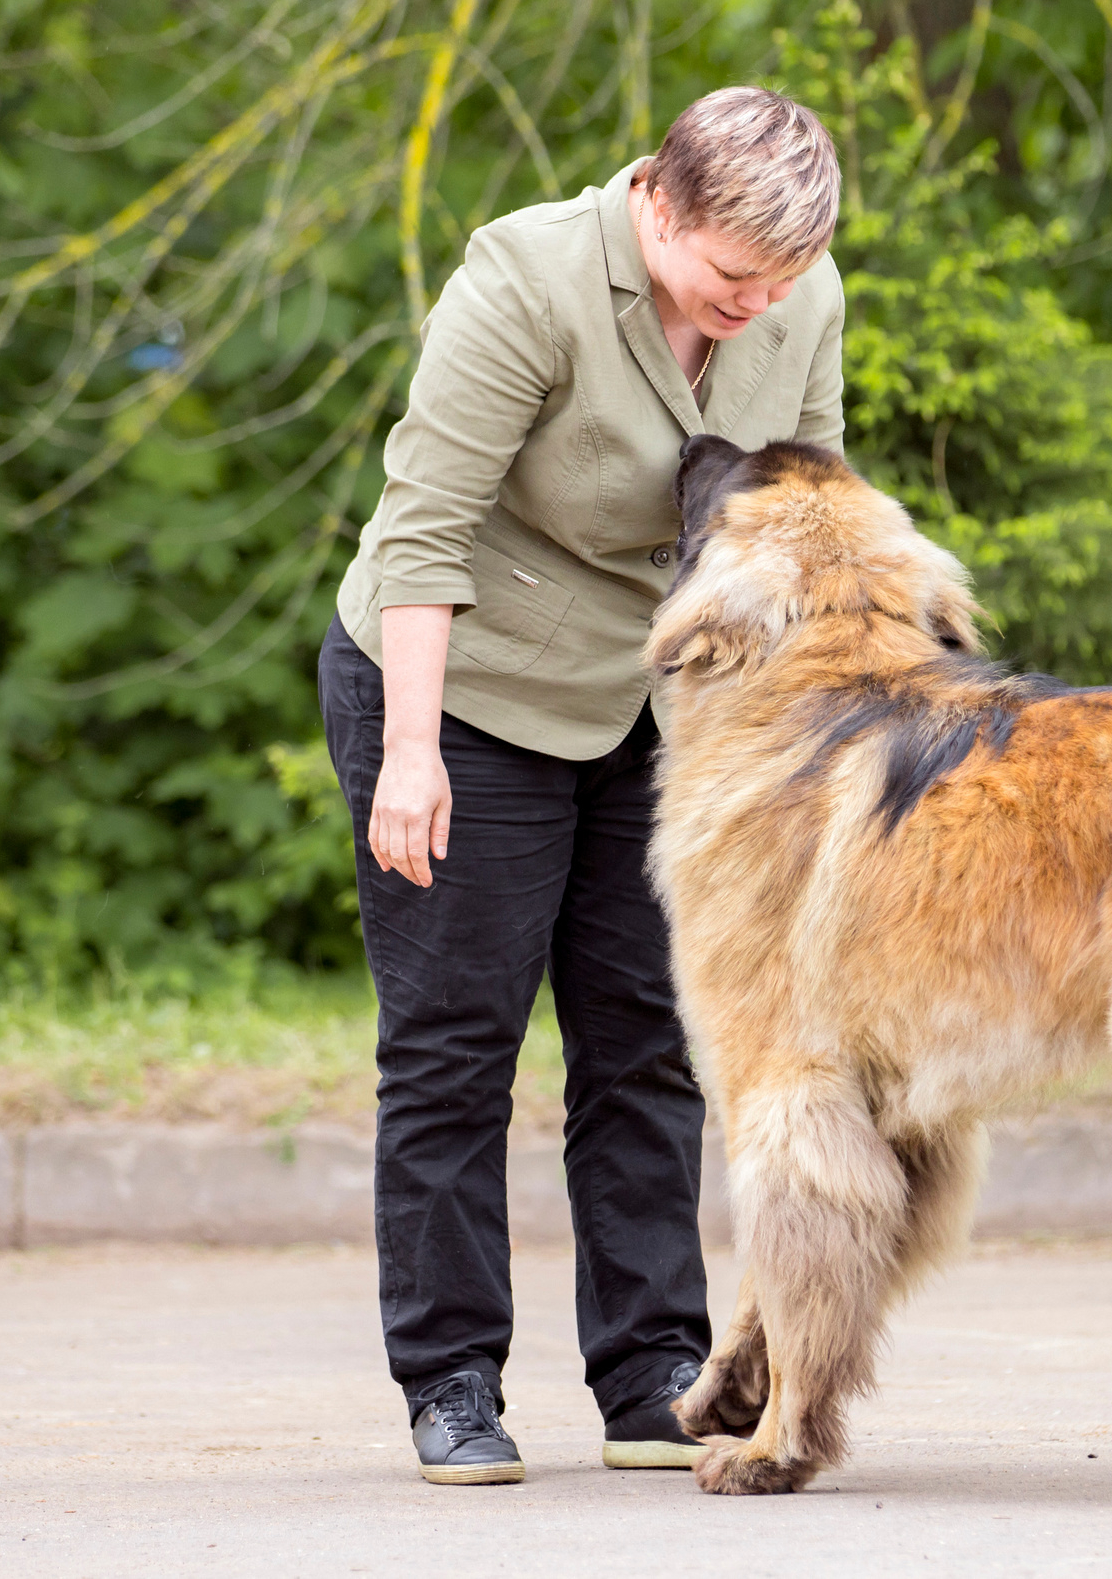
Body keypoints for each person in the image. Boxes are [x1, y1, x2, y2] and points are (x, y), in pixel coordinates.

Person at [317, 87, 845, 1484]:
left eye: (785, 279)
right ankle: (449, 1380)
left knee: (648, 1043)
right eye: (737, 274)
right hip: (465, 686)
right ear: (658, 207)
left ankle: (653, 1371)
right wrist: (412, 757)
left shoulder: (795, 289)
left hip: (665, 709)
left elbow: (805, 510)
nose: (764, 301)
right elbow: (421, 531)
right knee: (454, 1044)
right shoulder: (526, 279)